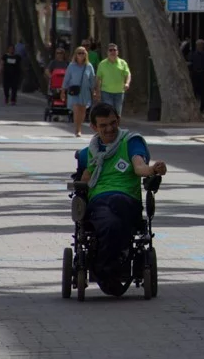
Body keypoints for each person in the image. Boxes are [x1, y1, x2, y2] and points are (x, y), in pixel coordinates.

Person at [76, 103, 167, 294]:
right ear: (94, 127)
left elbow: (139, 166)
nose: (109, 128)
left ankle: (106, 269)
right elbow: (84, 178)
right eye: (103, 125)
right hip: (99, 201)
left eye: (113, 123)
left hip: (126, 199)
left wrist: (152, 169)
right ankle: (108, 270)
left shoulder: (131, 141)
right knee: (110, 223)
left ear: (118, 120)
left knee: (115, 214)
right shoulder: (90, 152)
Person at [63, 46, 97, 137]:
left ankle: (80, 126)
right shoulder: (71, 66)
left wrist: (94, 90)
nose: (81, 55)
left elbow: (92, 79)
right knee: (77, 110)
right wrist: (63, 90)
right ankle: (77, 129)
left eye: (83, 53)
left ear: (86, 54)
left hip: (85, 91)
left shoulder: (89, 66)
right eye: (79, 53)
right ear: (76, 55)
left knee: (83, 111)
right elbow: (66, 78)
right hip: (74, 91)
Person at [95, 44, 131, 116]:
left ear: (117, 52)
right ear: (107, 52)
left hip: (119, 92)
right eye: (110, 50)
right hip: (106, 92)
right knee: (109, 111)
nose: (112, 52)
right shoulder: (102, 64)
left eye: (114, 50)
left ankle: (115, 127)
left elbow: (128, 74)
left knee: (117, 112)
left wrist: (127, 83)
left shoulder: (123, 63)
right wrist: (98, 92)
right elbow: (98, 78)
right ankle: (110, 127)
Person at [189, 39, 204, 113]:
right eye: (198, 45)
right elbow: (190, 63)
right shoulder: (192, 54)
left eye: (201, 45)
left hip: (203, 74)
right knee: (193, 91)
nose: (200, 46)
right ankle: (193, 108)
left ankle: (202, 109)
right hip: (195, 75)